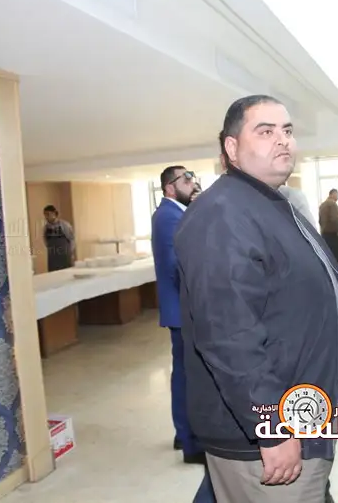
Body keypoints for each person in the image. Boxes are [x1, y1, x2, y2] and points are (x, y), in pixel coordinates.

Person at [174, 95, 338, 503]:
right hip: (267, 434)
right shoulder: (223, 213)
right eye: (265, 131)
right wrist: (273, 428)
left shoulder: (270, 203)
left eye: (287, 130)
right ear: (232, 148)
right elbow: (228, 336)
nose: (282, 140)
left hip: (306, 411)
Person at [150, 166, 206, 465]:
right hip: (183, 310)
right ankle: (190, 442)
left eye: (192, 177)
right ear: (169, 187)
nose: (192, 182)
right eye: (186, 178)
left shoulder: (177, 213)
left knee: (185, 372)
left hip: (182, 309)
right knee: (187, 375)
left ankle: (183, 432)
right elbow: (177, 266)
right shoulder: (168, 216)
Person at [42, 205, 75, 272]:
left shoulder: (65, 225)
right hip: (52, 257)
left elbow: (72, 239)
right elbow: (45, 241)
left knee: (66, 273)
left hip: (65, 256)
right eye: (45, 215)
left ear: (54, 213)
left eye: (48, 214)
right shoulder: (46, 227)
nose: (46, 217)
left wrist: (71, 253)